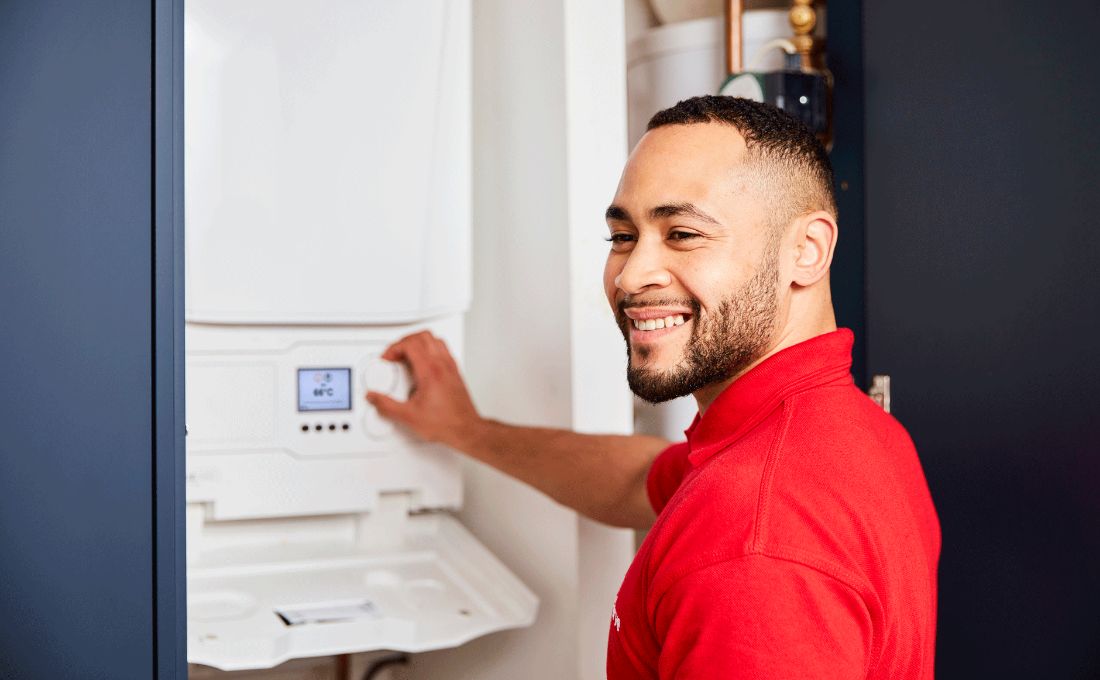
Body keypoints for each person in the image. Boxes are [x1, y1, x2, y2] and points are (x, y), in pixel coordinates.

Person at [366, 96, 940, 679]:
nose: (632, 274)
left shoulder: (752, 536)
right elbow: (637, 478)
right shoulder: (848, 432)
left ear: (807, 251)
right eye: (622, 236)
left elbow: (737, 527)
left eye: (683, 233)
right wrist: (466, 431)